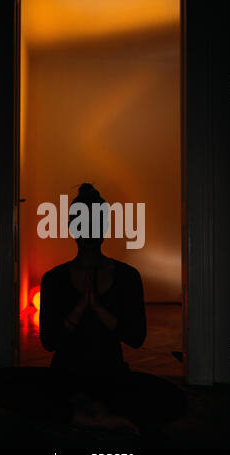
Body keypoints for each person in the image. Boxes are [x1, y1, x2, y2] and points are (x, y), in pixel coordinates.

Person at [39, 183, 185, 434]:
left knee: (168, 397)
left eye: (94, 222)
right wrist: (78, 309)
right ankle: (94, 413)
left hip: (111, 376)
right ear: (72, 228)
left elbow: (136, 338)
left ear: (104, 227)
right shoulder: (53, 279)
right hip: (65, 377)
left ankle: (83, 414)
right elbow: (49, 341)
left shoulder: (127, 277)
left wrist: (99, 309)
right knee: (16, 388)